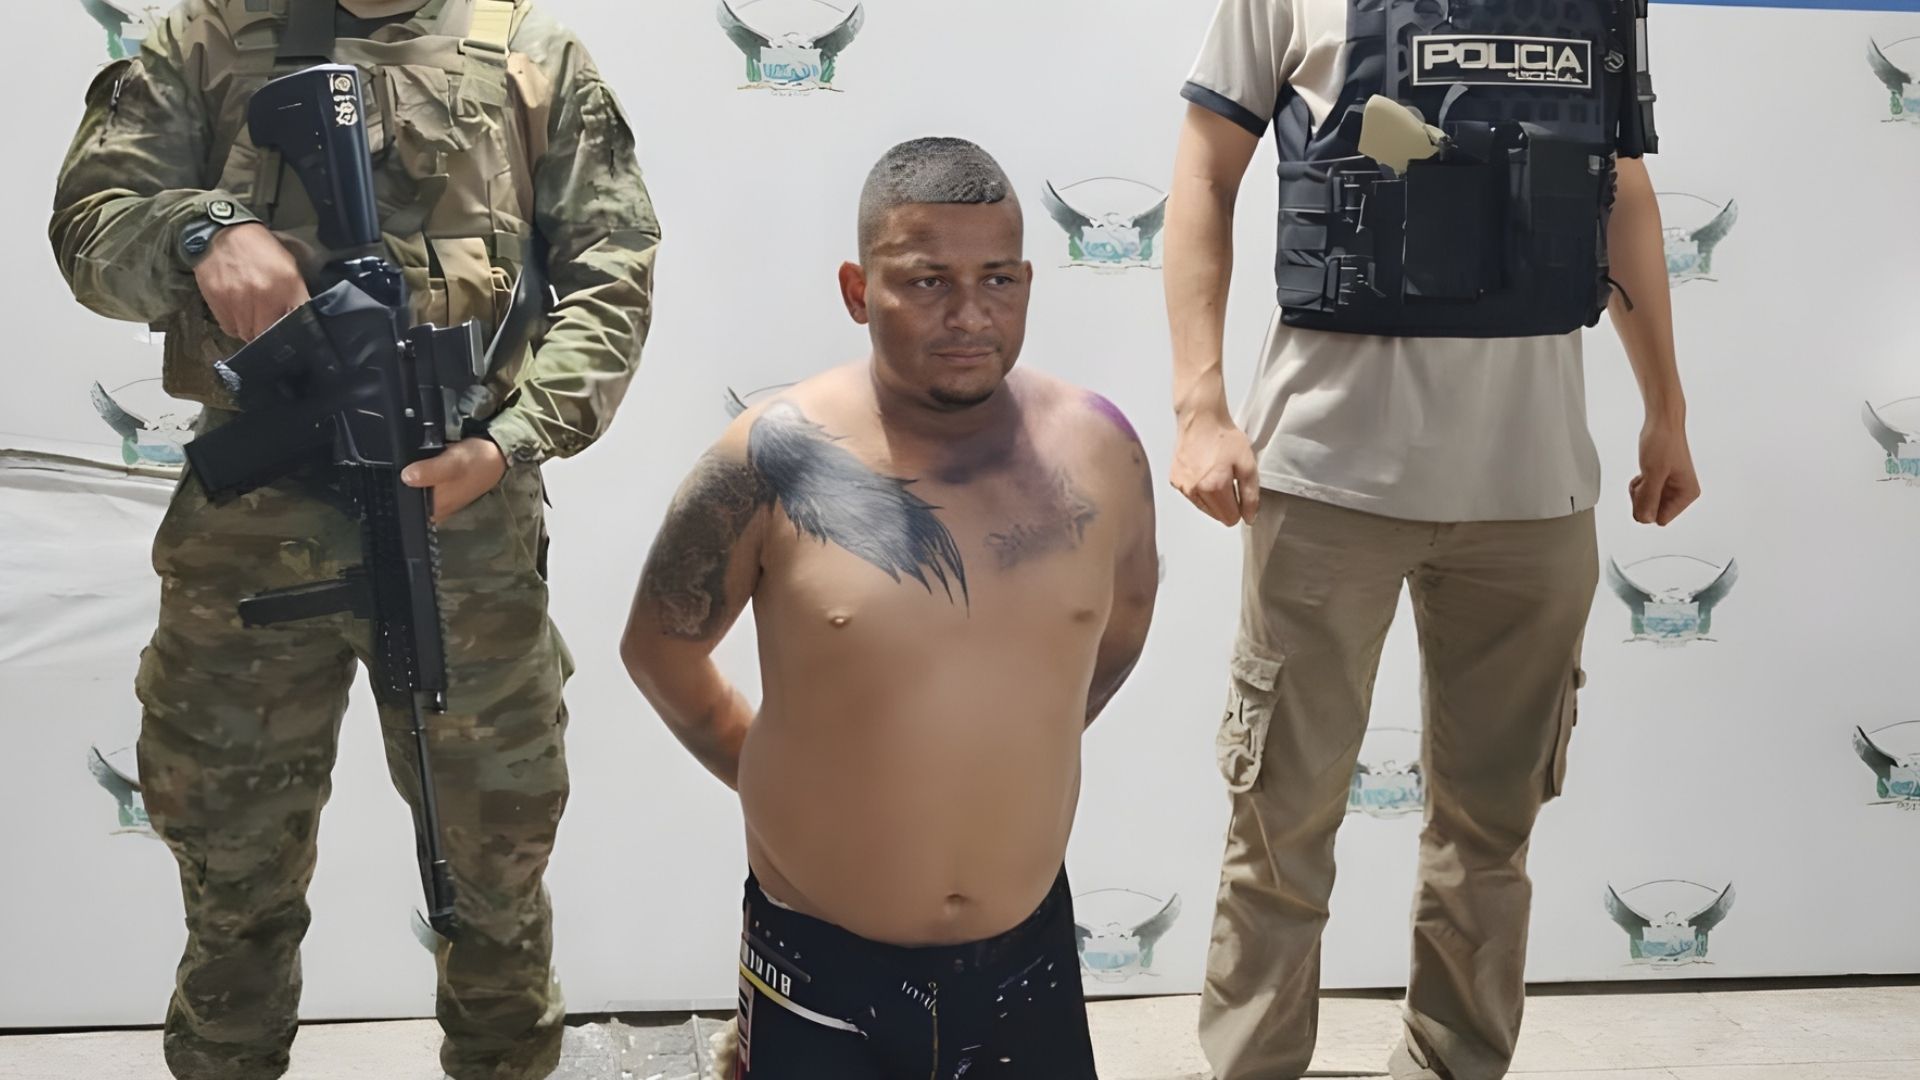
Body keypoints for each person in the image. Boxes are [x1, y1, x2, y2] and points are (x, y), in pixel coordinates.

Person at [48, 2, 661, 1077]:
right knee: (232, 880)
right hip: (252, 526)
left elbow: (612, 275)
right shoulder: (205, 39)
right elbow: (92, 232)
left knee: (492, 873)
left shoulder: (529, 54)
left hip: (460, 515)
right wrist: (201, 229)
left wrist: (509, 443)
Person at [1162, 1, 1698, 1078]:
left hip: (1533, 487)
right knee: (1280, 826)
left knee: (1490, 837)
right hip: (1327, 476)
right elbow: (1207, 170)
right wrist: (1199, 406)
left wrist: (1666, 408)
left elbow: (1621, 188)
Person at [620, 136, 1158, 1079]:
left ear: (1029, 282)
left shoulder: (1101, 448)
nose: (969, 315)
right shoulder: (769, 459)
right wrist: (788, 779)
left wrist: (1006, 751)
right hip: (818, 967)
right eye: (926, 281)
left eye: (998, 280)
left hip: (1026, 965)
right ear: (858, 290)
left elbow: (1120, 627)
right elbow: (660, 650)